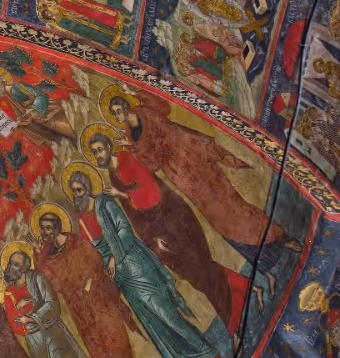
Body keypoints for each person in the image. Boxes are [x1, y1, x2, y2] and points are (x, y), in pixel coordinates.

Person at [66, 164, 228, 358]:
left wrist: (114, 257)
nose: (77, 195)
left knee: (168, 316)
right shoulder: (82, 222)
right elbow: (95, 254)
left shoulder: (105, 204)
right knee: (157, 332)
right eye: (73, 192)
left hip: (135, 264)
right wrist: (104, 266)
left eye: (79, 189)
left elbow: (124, 230)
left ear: (87, 188)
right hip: (123, 279)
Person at [104, 84, 300, 292]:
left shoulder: (143, 109)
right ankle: (264, 262)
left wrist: (135, 92)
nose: (118, 115)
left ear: (126, 105)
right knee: (216, 218)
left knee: (231, 201)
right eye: (114, 114)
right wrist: (131, 147)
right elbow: (151, 163)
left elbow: (164, 107)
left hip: (187, 149)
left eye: (118, 109)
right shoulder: (130, 135)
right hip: (179, 173)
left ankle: (280, 238)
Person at [33, 205, 174, 358]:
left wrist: (88, 284)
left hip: (101, 307)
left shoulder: (75, 243)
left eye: (47, 227)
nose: (45, 232)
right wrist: (38, 256)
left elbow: (95, 262)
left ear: (57, 226)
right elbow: (52, 284)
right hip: (83, 318)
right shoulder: (50, 256)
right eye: (42, 229)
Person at [83, 126, 240, 332]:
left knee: (201, 269)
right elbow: (134, 216)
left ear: (108, 147)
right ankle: (242, 292)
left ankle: (232, 317)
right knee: (195, 277)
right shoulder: (113, 176)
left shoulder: (126, 159)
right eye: (94, 153)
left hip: (174, 220)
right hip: (160, 232)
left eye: (100, 150)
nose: (98, 155)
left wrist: (121, 194)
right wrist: (152, 240)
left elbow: (150, 194)